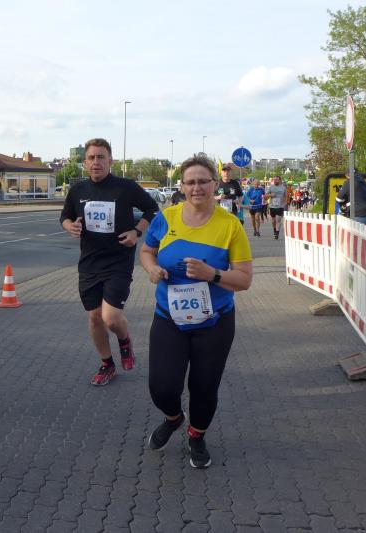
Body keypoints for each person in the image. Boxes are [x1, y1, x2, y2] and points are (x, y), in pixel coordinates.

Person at [140, 155, 253, 468]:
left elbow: (244, 280)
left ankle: (196, 436)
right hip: (169, 318)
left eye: (203, 181)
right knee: (161, 386)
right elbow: (147, 251)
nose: (197, 187)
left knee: (204, 387)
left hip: (214, 321)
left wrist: (212, 274)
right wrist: (151, 268)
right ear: (182, 186)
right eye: (190, 182)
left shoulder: (230, 225)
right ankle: (174, 418)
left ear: (215, 184)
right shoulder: (166, 218)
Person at [60, 138, 159, 386]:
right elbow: (65, 216)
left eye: (101, 157)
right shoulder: (78, 190)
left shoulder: (125, 187)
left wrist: (137, 231)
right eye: (91, 158)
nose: (96, 162)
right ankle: (107, 364)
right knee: (95, 318)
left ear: (110, 161)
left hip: (118, 261)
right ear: (85, 163)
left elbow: (152, 209)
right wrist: (69, 226)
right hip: (89, 263)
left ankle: (124, 341)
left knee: (111, 318)